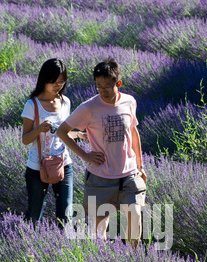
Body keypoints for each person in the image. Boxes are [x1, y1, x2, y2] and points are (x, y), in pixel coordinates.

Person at [56, 58, 146, 247]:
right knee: (99, 234)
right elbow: (62, 132)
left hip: (129, 175)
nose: (103, 91)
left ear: (118, 84)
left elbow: (134, 132)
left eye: (107, 86)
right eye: (99, 86)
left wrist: (140, 165)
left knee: (136, 218)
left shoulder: (129, 102)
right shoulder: (89, 107)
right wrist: (85, 155)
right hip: (101, 178)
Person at [21, 58, 86, 226]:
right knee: (34, 217)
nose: (58, 87)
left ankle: (62, 248)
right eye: (54, 83)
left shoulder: (66, 102)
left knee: (66, 217)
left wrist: (78, 135)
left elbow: (64, 133)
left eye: (61, 83)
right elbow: (25, 140)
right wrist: (39, 129)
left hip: (63, 164)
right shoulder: (32, 105)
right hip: (37, 166)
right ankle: (28, 247)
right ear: (44, 80)